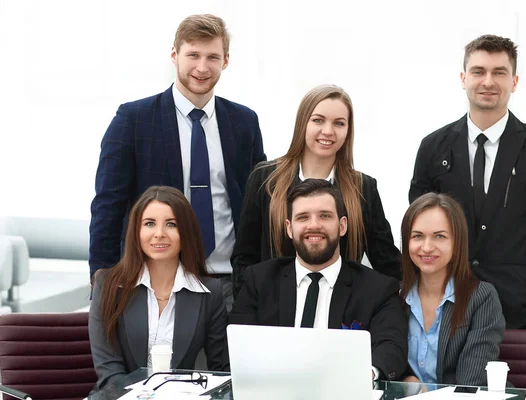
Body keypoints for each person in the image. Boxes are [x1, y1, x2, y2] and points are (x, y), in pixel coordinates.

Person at [89, 14, 266, 310]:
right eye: (193, 55)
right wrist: (102, 280)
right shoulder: (133, 120)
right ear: (174, 55)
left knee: (232, 359)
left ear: (226, 60)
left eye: (212, 57)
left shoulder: (244, 122)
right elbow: (108, 204)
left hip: (230, 282)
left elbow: (258, 205)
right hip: (157, 280)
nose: (202, 67)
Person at [409, 34, 526, 329]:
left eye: (499, 72)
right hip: (447, 307)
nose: (488, 81)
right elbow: (419, 232)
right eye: (478, 71)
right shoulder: (433, 147)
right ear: (463, 78)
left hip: (516, 312)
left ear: (514, 82)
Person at [230, 179, 408, 381]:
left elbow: (392, 347)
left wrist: (364, 374)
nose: (314, 225)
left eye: (324, 216)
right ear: (289, 228)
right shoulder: (259, 281)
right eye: (303, 217)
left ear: (342, 226)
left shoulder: (378, 288)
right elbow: (239, 346)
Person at [232, 84, 400, 297]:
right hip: (272, 311)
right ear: (303, 123)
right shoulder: (265, 179)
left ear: (348, 131)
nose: (328, 131)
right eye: (318, 120)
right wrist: (247, 314)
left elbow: (388, 264)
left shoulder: (363, 188)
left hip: (339, 315)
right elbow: (244, 258)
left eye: (339, 123)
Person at [88, 186, 228, 391]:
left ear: (185, 232)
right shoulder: (107, 285)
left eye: (171, 224)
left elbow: (221, 372)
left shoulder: (210, 292)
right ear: (136, 231)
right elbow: (110, 374)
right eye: (149, 224)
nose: (159, 234)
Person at [399, 192, 504, 386]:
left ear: (457, 242)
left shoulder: (482, 298)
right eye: (417, 236)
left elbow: (471, 382)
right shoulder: (394, 296)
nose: (427, 247)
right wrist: (407, 380)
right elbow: (386, 364)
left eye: (439, 236)